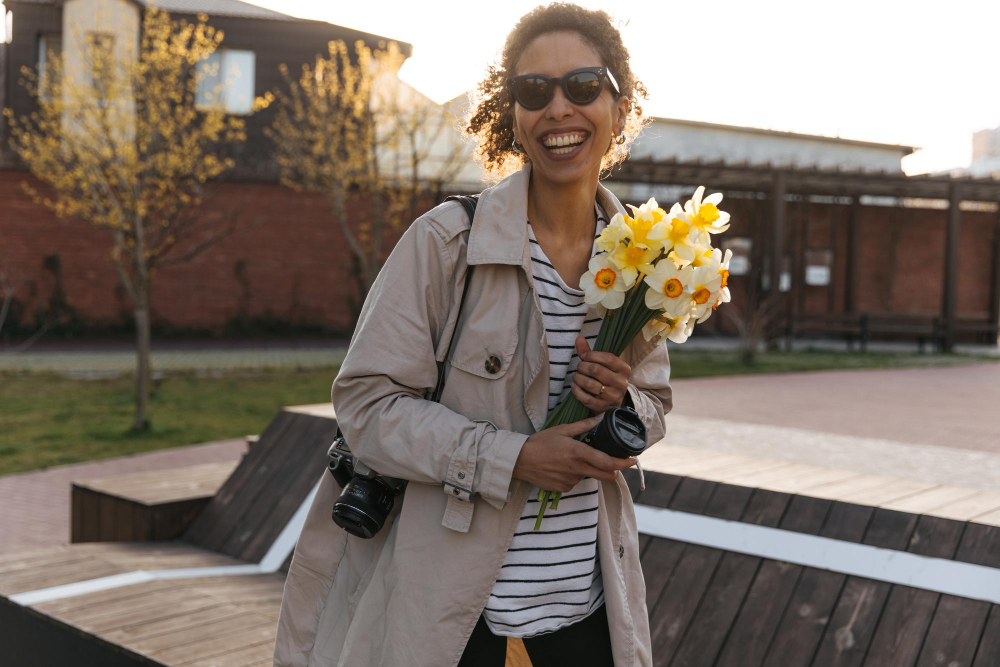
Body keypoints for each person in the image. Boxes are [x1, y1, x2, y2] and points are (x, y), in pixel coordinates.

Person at [273, 4, 671, 666]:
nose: (558, 109)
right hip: (456, 618)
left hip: (590, 605)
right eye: (534, 91)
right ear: (510, 114)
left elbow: (654, 401)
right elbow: (366, 407)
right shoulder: (446, 243)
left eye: (582, 85)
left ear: (618, 104)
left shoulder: (643, 257)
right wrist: (513, 458)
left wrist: (623, 406)